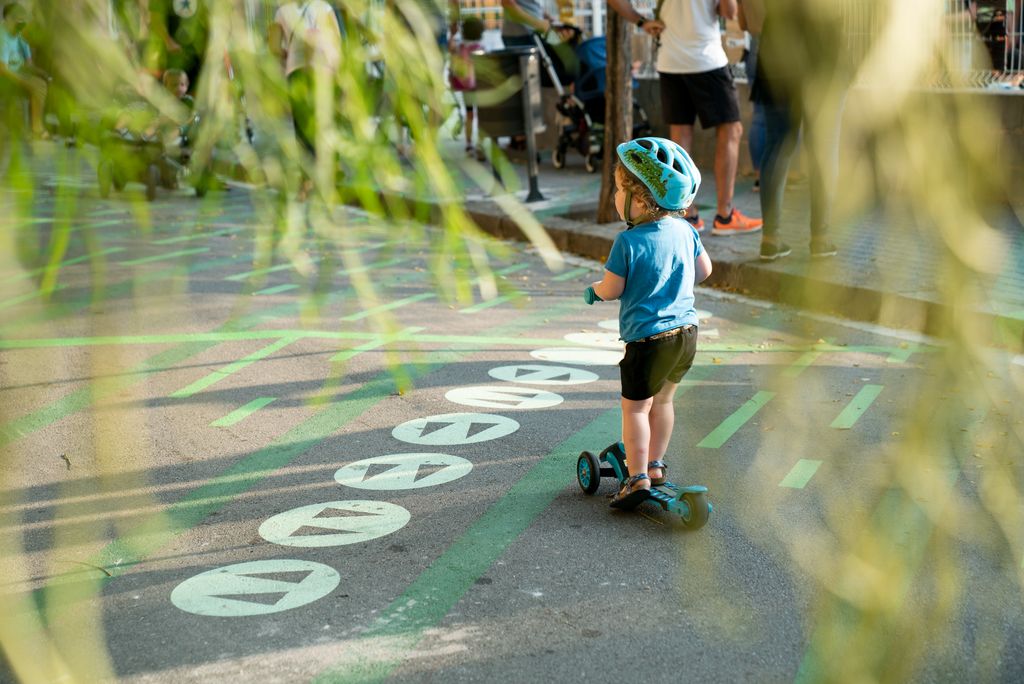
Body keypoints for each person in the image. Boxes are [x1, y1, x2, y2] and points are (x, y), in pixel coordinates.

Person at [583, 137, 712, 509]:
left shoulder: (627, 242)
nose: (615, 196)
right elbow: (704, 271)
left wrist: (594, 291)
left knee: (636, 408)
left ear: (640, 199)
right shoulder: (686, 231)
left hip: (647, 341)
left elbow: (612, 288)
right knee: (664, 401)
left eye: (619, 189)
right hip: (687, 336)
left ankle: (636, 477)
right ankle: (654, 465)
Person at [608, 0, 763, 237]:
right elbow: (729, 12)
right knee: (731, 130)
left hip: (670, 60)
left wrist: (642, 21)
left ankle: (685, 213)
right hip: (706, 58)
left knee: (681, 135)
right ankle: (725, 215)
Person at [753, 0, 844, 261]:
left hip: (776, 58)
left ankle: (770, 239)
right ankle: (821, 238)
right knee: (824, 151)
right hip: (822, 59)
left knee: (777, 147)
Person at [269, 0, 342, 158]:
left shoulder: (282, 12)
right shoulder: (324, 8)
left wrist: (288, 55)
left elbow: (273, 48)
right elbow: (337, 40)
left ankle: (307, 176)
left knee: (302, 125)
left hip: (296, 72)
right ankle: (326, 166)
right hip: (323, 72)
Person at [0, 2, 50, 139]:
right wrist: (25, 81)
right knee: (36, 86)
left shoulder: (19, 37)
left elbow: (28, 64)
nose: (21, 21)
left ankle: (36, 127)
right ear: (8, 18)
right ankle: (36, 128)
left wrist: (39, 73)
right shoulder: (2, 37)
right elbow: (2, 69)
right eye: (18, 17)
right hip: (4, 79)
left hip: (15, 75)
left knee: (42, 83)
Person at [449, 15, 485, 158]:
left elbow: (450, 49)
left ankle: (469, 144)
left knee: (469, 114)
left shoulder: (460, 47)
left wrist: (452, 33)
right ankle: (480, 144)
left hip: (465, 86)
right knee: (481, 115)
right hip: (480, 86)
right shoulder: (481, 48)